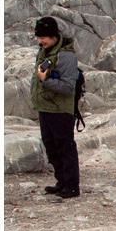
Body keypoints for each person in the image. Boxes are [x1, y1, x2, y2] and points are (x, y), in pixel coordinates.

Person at [31, 16, 80, 199]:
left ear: (54, 36)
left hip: (60, 110)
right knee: (51, 147)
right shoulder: (44, 52)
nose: (40, 40)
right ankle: (62, 182)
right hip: (46, 108)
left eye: (43, 37)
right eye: (38, 37)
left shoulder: (66, 56)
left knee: (65, 147)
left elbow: (68, 87)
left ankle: (72, 186)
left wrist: (46, 80)